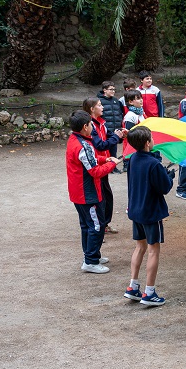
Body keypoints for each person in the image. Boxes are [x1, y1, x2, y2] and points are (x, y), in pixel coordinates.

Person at [123, 126, 175, 306]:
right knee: (153, 250)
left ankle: (133, 286)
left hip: (136, 210)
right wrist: (169, 177)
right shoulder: (154, 165)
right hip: (151, 212)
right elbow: (165, 188)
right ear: (147, 143)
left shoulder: (133, 159)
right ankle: (149, 292)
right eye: (152, 138)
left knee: (140, 247)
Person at [66, 110, 121, 274]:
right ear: (85, 126)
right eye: (91, 125)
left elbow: (90, 159)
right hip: (88, 193)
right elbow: (95, 171)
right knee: (96, 226)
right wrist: (113, 163)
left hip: (78, 193)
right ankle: (90, 260)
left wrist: (106, 159)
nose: (93, 128)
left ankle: (92, 255)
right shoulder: (83, 145)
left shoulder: (75, 139)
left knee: (87, 225)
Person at [81, 97, 125, 235]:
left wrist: (121, 134)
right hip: (97, 164)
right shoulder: (90, 126)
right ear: (91, 109)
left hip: (104, 162)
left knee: (107, 196)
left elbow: (110, 136)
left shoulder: (102, 123)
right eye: (99, 105)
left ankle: (104, 225)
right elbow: (99, 144)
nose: (103, 107)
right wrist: (116, 138)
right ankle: (98, 227)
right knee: (100, 198)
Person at [95, 80, 125, 163]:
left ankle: (113, 165)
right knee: (104, 147)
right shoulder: (98, 101)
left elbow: (120, 113)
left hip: (115, 128)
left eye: (114, 89)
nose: (113, 91)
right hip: (105, 129)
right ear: (104, 90)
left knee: (114, 148)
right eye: (111, 89)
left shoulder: (116, 101)